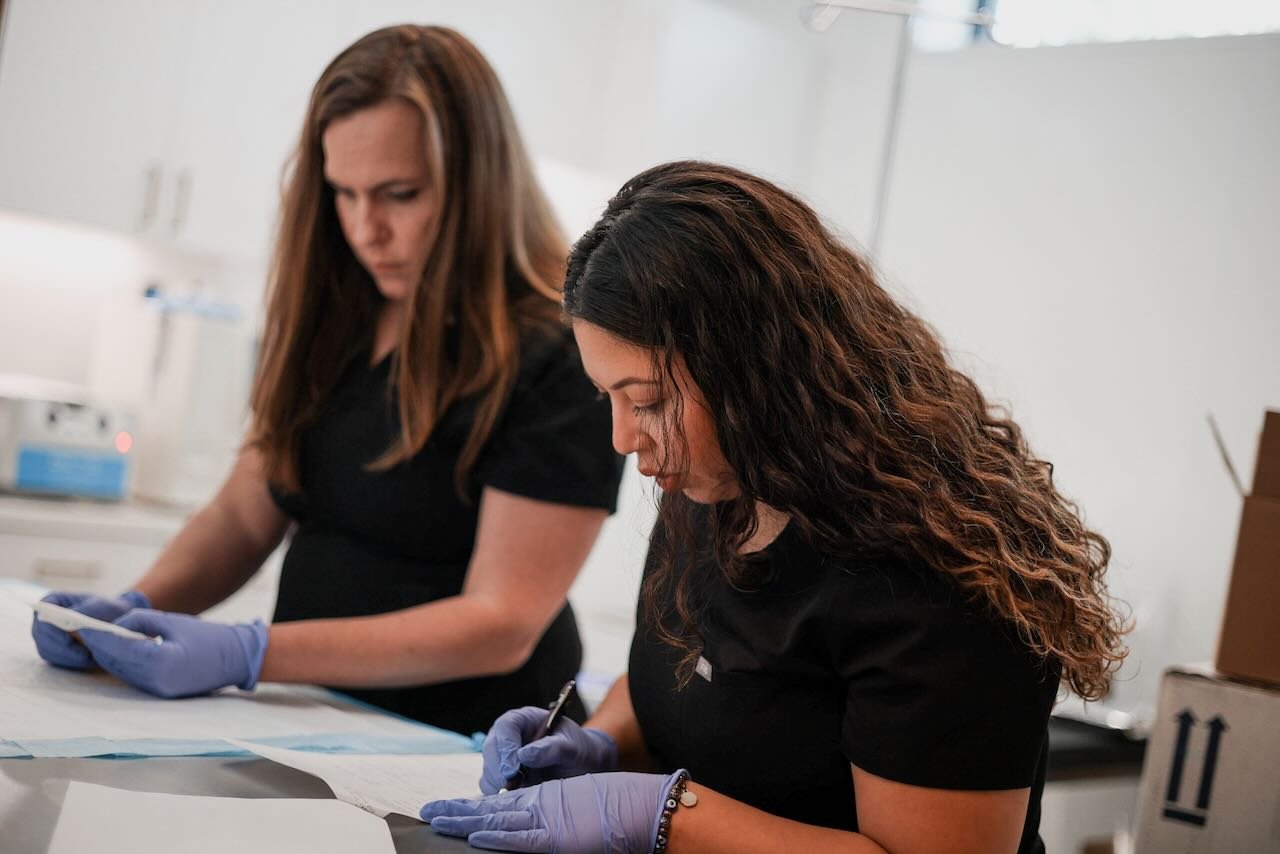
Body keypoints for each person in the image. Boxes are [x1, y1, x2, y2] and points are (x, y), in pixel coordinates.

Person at [419, 161, 1130, 852]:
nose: (623, 438)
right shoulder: (712, 488)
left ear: (756, 370)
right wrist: (603, 743)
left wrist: (666, 817)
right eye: (610, 398)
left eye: (649, 401)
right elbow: (672, 685)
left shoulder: (935, 576)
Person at [30, 25, 623, 735]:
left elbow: (500, 622)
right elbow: (245, 512)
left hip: (461, 745)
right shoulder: (336, 316)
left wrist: (250, 650)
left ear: (480, 184)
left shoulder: (561, 355)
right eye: (344, 194)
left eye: (400, 194)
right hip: (311, 722)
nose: (366, 228)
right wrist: (133, 611)